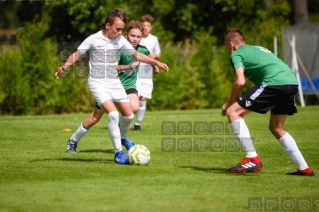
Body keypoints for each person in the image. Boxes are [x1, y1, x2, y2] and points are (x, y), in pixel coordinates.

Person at [55, 9, 169, 165]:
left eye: (122, 29)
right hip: (97, 83)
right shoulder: (94, 39)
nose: (120, 32)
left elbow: (137, 55)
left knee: (128, 115)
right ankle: (117, 154)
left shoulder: (120, 40)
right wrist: (65, 66)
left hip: (114, 83)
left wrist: (156, 62)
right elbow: (77, 54)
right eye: (118, 29)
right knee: (113, 115)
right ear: (108, 25)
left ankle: (121, 138)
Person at [221, 28, 314, 176]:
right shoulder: (258, 48)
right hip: (291, 83)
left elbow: (240, 81)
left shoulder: (236, 54)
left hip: (274, 83)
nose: (228, 50)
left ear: (231, 45)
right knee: (277, 128)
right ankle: (304, 168)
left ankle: (252, 158)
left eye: (226, 47)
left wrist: (228, 103)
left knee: (233, 112)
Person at [134, 14, 161, 131]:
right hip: (134, 67)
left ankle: (138, 124)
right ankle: (123, 119)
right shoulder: (135, 37)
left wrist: (153, 57)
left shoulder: (154, 39)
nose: (145, 27)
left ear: (151, 27)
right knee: (134, 95)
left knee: (143, 97)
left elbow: (158, 54)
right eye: (143, 25)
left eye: (148, 25)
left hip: (146, 69)